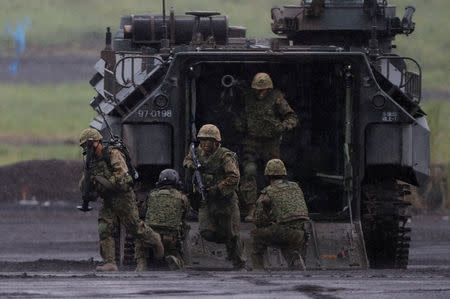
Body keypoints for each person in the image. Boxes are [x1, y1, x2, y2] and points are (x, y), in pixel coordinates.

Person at [78, 128, 164, 271]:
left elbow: (122, 175)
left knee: (134, 227)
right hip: (108, 199)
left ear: (98, 142)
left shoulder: (112, 154)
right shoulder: (91, 163)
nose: (86, 149)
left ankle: (155, 240)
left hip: (123, 196)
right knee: (104, 228)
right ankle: (110, 262)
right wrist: (87, 183)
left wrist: (105, 181)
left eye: (88, 145)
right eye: (84, 146)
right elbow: (84, 185)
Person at [235, 72, 298, 222]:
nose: (259, 93)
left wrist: (282, 127)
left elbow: (292, 118)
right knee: (249, 171)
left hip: (271, 143)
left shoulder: (276, 98)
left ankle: (278, 209)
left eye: (262, 90)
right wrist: (240, 124)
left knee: (275, 175)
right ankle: (252, 209)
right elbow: (243, 115)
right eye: (257, 90)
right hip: (252, 141)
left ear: (268, 89)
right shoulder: (248, 98)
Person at [183, 124, 247, 270]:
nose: (204, 144)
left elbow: (234, 177)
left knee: (233, 235)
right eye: (202, 140)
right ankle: (229, 245)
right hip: (206, 200)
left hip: (226, 201)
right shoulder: (197, 152)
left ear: (216, 142)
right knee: (206, 232)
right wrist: (193, 166)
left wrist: (217, 188)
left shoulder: (225, 156)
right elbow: (186, 160)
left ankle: (240, 263)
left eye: (208, 140)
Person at [251, 159, 309, 271]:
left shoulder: (269, 191)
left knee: (256, 235)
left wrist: (268, 222)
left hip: (283, 232)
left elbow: (259, 219)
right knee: (287, 243)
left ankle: (258, 269)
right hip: (301, 233)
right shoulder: (295, 187)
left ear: (267, 175)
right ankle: (296, 265)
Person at [135, 169, 190, 271]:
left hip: (152, 234)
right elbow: (186, 215)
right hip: (171, 235)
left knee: (140, 242)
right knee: (173, 249)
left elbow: (142, 211)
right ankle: (175, 259)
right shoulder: (182, 197)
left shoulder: (151, 195)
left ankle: (141, 263)